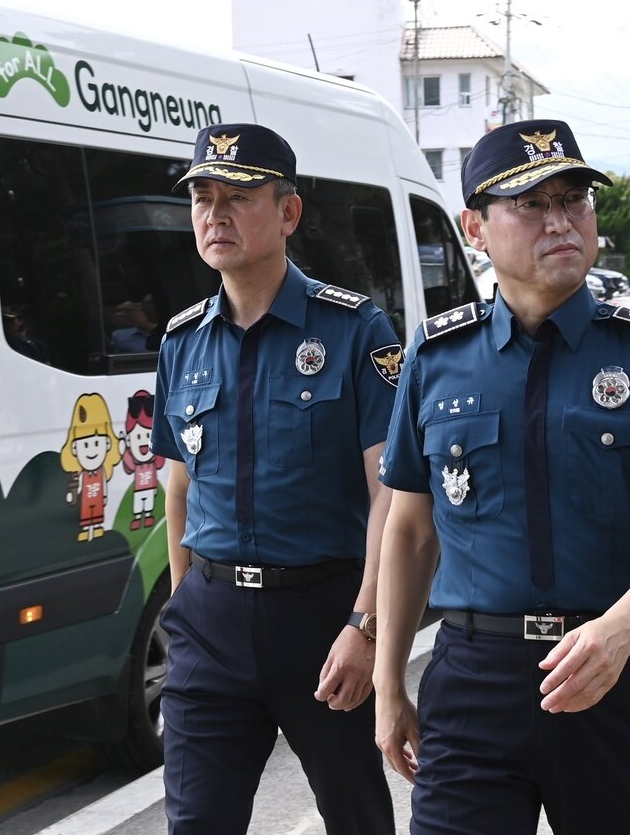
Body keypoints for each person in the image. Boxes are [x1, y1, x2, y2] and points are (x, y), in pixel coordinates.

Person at [372, 119, 630, 835]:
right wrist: (389, 682)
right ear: (475, 228)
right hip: (474, 678)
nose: (560, 221)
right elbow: (409, 530)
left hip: (611, 669)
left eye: (574, 200)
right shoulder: (436, 357)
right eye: (531, 204)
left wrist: (621, 632)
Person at [151, 123, 398, 835]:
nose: (215, 215)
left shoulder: (355, 330)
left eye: (238, 197)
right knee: (197, 822)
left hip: (323, 617)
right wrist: (184, 606)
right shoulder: (182, 341)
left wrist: (366, 626)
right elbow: (178, 487)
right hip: (211, 622)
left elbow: (390, 494)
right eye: (202, 198)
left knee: (356, 816)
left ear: (288, 213)